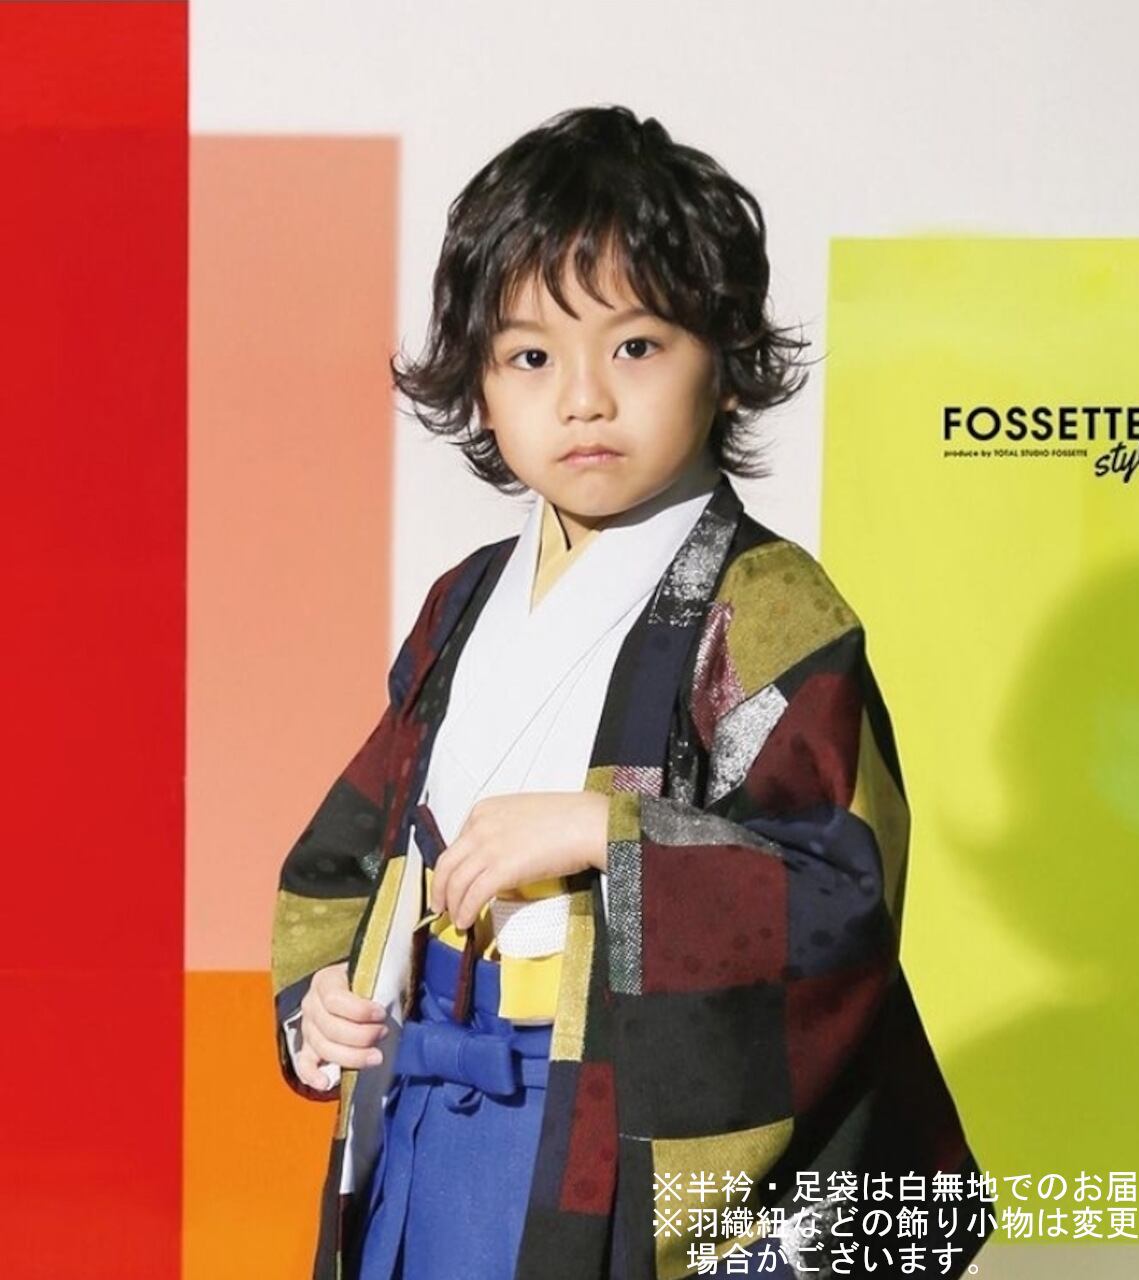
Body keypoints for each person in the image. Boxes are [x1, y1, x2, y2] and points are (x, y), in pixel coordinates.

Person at [270, 104, 987, 1280]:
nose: (583, 398)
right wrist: (324, 999)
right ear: (479, 384)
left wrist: (607, 834)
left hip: (593, 1140)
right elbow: (351, 847)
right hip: (426, 1106)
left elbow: (837, 890)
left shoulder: (764, 606)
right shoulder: (463, 600)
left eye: (636, 346)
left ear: (724, 359)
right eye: (530, 356)